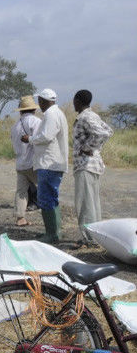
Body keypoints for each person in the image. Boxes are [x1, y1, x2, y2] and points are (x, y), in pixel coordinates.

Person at [21, 88, 68, 244]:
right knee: (51, 198)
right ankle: (54, 232)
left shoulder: (50, 114)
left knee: (46, 198)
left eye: (40, 100)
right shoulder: (57, 113)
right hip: (52, 162)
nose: (38, 104)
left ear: (44, 100)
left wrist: (30, 139)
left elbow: (46, 136)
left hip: (48, 163)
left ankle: (52, 234)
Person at [72, 89, 113, 248]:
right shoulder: (93, 115)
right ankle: (96, 237)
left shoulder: (84, 117)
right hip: (93, 164)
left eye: (74, 100)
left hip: (85, 165)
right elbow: (109, 131)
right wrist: (95, 148)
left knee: (85, 204)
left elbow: (103, 133)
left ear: (77, 100)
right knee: (93, 203)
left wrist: (87, 147)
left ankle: (89, 238)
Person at [10, 95, 42, 226]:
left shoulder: (15, 126)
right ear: (34, 109)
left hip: (20, 163)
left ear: (21, 111)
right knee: (46, 188)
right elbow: (41, 140)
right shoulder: (36, 122)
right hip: (33, 163)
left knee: (21, 191)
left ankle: (20, 218)